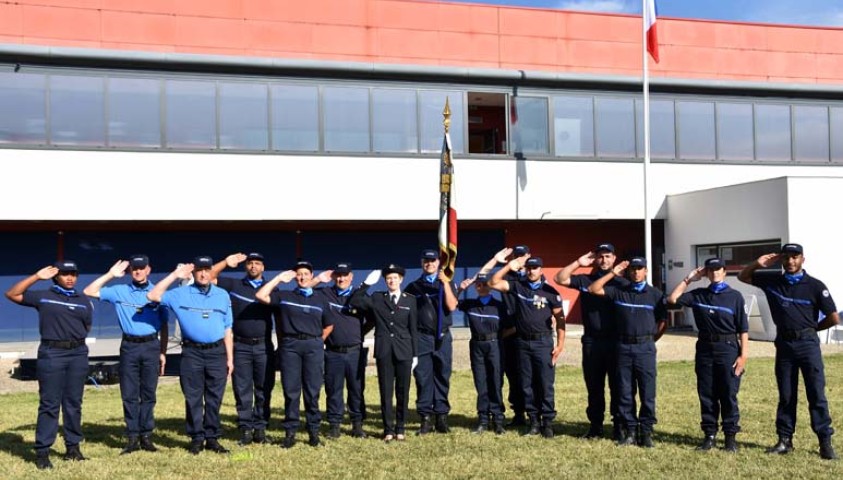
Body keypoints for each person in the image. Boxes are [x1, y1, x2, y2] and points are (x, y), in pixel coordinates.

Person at [738, 243, 839, 460]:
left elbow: (833, 317)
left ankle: (825, 442)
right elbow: (743, 277)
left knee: (816, 394)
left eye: (795, 257)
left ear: (803, 259)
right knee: (786, 395)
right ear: (781, 260)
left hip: (808, 345)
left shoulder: (814, 286)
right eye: (786, 258)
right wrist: (759, 263)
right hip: (784, 346)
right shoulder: (773, 281)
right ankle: (785, 440)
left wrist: (811, 329)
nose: (790, 262)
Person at [5, 260, 93, 470]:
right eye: (65, 274)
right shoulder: (43, 295)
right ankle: (43, 452)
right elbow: (12, 294)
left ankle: (73, 448)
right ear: (56, 276)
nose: (70, 278)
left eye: (73, 274)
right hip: (52, 354)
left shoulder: (84, 300)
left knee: (73, 403)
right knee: (50, 404)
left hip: (78, 353)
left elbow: (86, 326)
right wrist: (36, 277)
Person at [83, 255, 169, 454]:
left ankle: (146, 436)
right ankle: (132, 437)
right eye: (134, 269)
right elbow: (89, 291)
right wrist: (110, 275)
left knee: (148, 393)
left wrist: (162, 352)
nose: (138, 272)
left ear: (149, 269)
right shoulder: (120, 291)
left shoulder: (158, 293)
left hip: (151, 346)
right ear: (130, 271)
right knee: (129, 394)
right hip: (129, 346)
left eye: (141, 268)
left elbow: (164, 326)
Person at [147, 257, 233, 455]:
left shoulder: (222, 295)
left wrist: (230, 358)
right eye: (199, 270)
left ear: (212, 272)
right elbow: (153, 295)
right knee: (193, 397)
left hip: (217, 352)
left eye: (207, 270)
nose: (203, 274)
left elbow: (228, 328)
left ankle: (212, 438)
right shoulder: (179, 294)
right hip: (192, 353)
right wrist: (175, 275)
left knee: (214, 397)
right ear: (193, 273)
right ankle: (196, 438)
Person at [667, 258, 748, 452]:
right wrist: (689, 279)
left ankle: (730, 438)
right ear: (706, 273)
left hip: (727, 347)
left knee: (728, 393)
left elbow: (743, 330)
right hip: (705, 348)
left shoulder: (735, 296)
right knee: (707, 393)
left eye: (717, 270)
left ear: (724, 271)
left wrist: (743, 356)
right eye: (710, 270)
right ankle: (709, 435)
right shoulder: (698, 295)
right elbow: (672, 299)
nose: (714, 273)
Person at [588, 257, 667, 448]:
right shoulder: (619, 292)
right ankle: (630, 431)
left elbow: (663, 322)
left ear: (646, 271)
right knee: (624, 392)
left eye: (640, 269)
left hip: (645, 348)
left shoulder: (655, 294)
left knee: (647, 392)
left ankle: (646, 432)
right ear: (628, 271)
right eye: (633, 269)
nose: (636, 272)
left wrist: (649, 340)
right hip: (623, 348)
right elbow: (593, 289)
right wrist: (613, 273)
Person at [488, 250, 565, 438]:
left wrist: (560, 344)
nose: (531, 271)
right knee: (526, 384)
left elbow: (560, 319)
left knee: (545, 384)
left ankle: (547, 422)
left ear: (541, 269)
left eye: (535, 268)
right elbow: (492, 283)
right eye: (529, 268)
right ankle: (533, 422)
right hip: (523, 343)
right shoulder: (518, 286)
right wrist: (507, 266)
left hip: (543, 341)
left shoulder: (550, 292)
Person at [554, 243, 628, 440]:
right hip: (592, 342)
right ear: (596, 259)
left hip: (615, 342)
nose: (604, 260)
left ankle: (619, 426)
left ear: (614, 258)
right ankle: (595, 426)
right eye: (600, 256)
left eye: (608, 256)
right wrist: (579, 263)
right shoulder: (585, 280)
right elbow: (559, 278)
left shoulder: (622, 284)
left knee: (618, 386)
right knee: (594, 386)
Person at [256, 260, 332, 448]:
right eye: (299, 274)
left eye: (306, 273)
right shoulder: (285, 295)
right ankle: (290, 433)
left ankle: (313, 432)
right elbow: (260, 295)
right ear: (294, 277)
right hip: (290, 346)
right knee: (291, 391)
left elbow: (329, 324)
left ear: (312, 276)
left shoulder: (321, 299)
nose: (302, 277)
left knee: (312, 391)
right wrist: (279, 279)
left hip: (313, 345)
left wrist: (316, 341)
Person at [209, 252, 277, 446]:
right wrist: (224, 262)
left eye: (257, 263)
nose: (253, 266)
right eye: (250, 263)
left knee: (264, 388)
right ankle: (246, 429)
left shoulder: (271, 288)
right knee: (242, 389)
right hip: (241, 346)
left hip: (264, 346)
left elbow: (280, 317)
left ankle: (261, 429)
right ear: (245, 267)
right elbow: (209, 276)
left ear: (263, 267)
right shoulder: (234, 285)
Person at [349, 265, 418, 442]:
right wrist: (365, 284)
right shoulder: (377, 298)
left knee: (403, 391)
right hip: (384, 351)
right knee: (386, 391)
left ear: (401, 279)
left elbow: (413, 329)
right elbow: (355, 301)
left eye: (395, 278)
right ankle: (388, 429)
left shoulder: (410, 300)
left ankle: (400, 428)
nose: (391, 281)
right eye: (388, 278)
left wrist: (415, 354)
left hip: (404, 351)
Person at [404, 249, 457, 434]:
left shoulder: (447, 284)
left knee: (442, 375)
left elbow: (451, 306)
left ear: (438, 263)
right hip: (422, 337)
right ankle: (425, 418)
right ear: (422, 263)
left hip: (442, 336)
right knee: (423, 377)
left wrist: (446, 284)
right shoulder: (413, 287)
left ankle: (441, 417)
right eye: (426, 261)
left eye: (433, 261)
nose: (429, 264)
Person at [316, 263, 372, 439]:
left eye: (345, 275)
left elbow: (372, 318)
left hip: (355, 351)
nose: (341, 278)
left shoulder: (359, 296)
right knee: (333, 390)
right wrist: (318, 279)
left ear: (351, 276)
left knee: (356, 389)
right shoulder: (325, 294)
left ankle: (357, 424)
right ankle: (334, 425)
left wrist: (359, 333)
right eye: (338, 275)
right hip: (333, 352)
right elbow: (303, 287)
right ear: (333, 277)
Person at [458, 273, 507, 435]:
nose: (481, 287)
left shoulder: (499, 306)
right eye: (478, 284)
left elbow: (512, 326)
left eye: (485, 284)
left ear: (491, 285)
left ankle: (498, 419)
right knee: (481, 382)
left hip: (494, 345)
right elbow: (450, 304)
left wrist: (498, 338)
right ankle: (483, 420)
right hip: (476, 345)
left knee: (495, 381)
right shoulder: (470, 304)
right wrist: (459, 289)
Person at [499, 245, 530, 427]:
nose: (519, 259)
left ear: (529, 256)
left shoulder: (533, 277)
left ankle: (535, 413)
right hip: (509, 335)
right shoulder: (506, 278)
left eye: (522, 256)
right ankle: (519, 413)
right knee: (513, 376)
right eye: (516, 256)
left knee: (530, 376)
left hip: (527, 335)